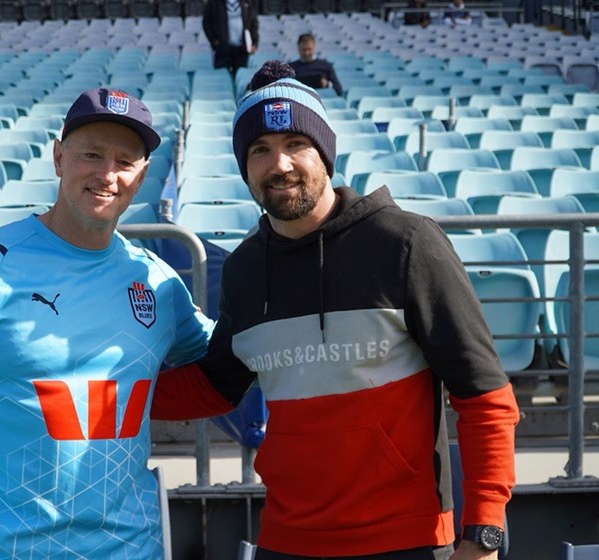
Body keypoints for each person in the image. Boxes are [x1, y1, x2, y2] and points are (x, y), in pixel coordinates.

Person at [152, 62, 520, 560]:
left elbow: (485, 398)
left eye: (295, 144)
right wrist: (104, 394)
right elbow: (216, 386)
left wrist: (484, 535)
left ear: (325, 153)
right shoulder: (243, 269)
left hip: (405, 541)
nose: (278, 164)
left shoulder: (407, 244)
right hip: (285, 541)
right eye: (259, 150)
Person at [0, 87, 214, 559]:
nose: (106, 174)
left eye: (124, 160)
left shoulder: (157, 282)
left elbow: (236, 357)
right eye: (90, 154)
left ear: (143, 176)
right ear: (58, 157)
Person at [202, 0, 259, 76]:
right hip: (223, 49)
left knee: (240, 76)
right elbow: (206, 22)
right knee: (222, 77)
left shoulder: (246, 2)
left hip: (242, 49)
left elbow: (253, 22)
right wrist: (214, 40)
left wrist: (254, 43)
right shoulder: (214, 2)